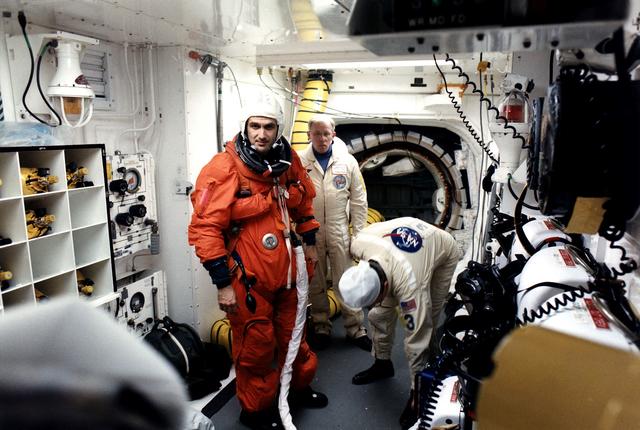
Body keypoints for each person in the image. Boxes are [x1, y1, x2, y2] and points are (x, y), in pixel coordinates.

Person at [188, 99, 328, 430]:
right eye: (255, 126)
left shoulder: (288, 160)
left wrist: (310, 247)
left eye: (268, 127)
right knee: (256, 345)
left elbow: (303, 202)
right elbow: (205, 229)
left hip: (290, 274)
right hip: (249, 279)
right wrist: (223, 284)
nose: (261, 134)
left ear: (278, 129)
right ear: (244, 127)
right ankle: (255, 410)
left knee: (296, 336)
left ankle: (298, 388)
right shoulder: (224, 168)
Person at [338, 217, 461, 428]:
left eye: (374, 299)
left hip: (442, 249)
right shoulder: (358, 244)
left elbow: (416, 336)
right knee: (378, 315)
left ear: (384, 285)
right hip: (398, 251)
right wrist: (378, 303)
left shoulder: (410, 286)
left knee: (425, 324)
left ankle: (424, 386)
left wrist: (416, 397)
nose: (372, 305)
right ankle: (382, 363)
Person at [299, 114, 371, 351]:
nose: (321, 138)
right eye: (317, 133)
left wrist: (358, 234)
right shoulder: (300, 162)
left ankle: (355, 328)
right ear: (309, 135)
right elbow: (294, 201)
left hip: (340, 230)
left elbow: (359, 200)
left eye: (326, 133)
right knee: (316, 282)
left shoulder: (347, 162)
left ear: (333, 135)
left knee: (347, 281)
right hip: (311, 233)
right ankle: (321, 325)